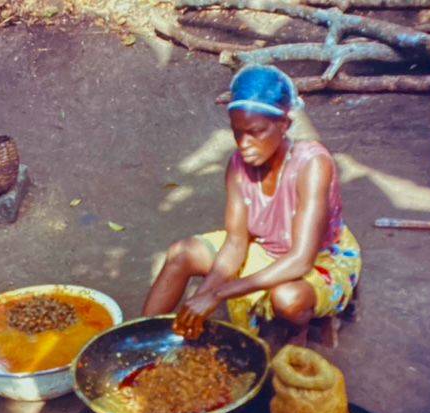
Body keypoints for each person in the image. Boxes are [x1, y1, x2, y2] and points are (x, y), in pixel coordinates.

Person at [142, 65, 361, 343]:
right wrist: (200, 299)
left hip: (320, 258)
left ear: (284, 125)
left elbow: (300, 260)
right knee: (181, 254)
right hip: (263, 249)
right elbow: (236, 243)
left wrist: (217, 294)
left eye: (255, 132)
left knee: (288, 298)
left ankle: (297, 331)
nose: (244, 144)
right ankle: (135, 342)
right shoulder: (237, 165)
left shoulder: (312, 164)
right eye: (237, 133)